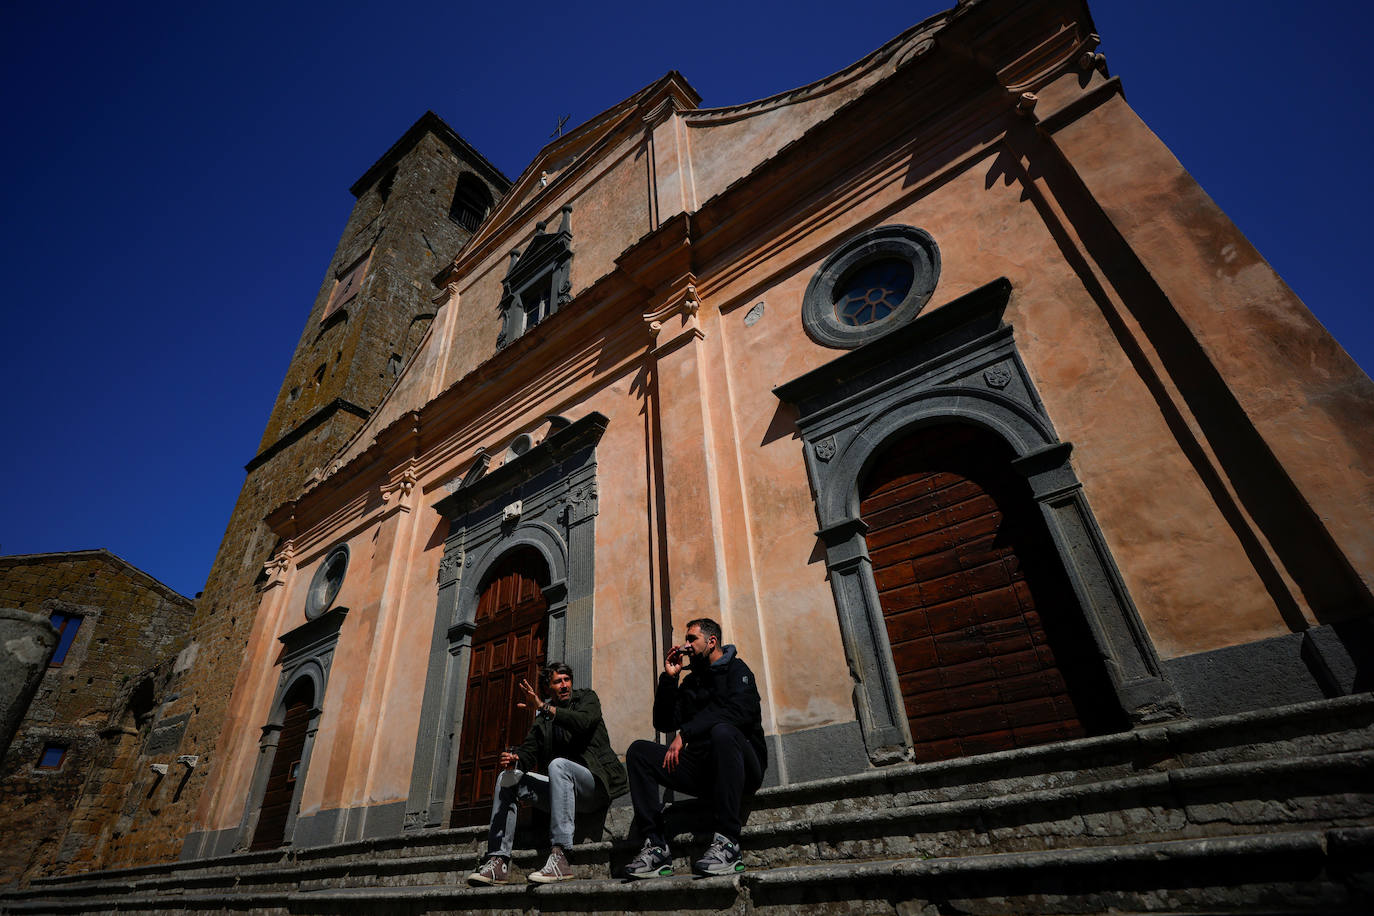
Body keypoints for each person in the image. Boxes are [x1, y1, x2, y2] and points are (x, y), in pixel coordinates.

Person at [623, 617, 767, 878]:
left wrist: (686, 732)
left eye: (692, 639)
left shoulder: (738, 671)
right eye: (686, 639)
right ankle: (656, 848)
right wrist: (669, 680)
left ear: (712, 642)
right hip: (704, 771)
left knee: (723, 731)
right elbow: (664, 722)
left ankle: (728, 844)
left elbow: (740, 712)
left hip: (743, 768)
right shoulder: (691, 683)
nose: (685, 645)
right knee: (638, 752)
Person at [466, 662, 628, 885]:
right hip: (562, 793)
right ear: (548, 688)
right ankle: (498, 861)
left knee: (558, 765)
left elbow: (582, 723)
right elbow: (528, 753)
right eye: (557, 681)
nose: (564, 685)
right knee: (507, 778)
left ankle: (561, 856)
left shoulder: (587, 699)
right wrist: (516, 760)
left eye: (566, 680)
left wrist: (544, 708)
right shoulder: (543, 719)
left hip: (595, 787)